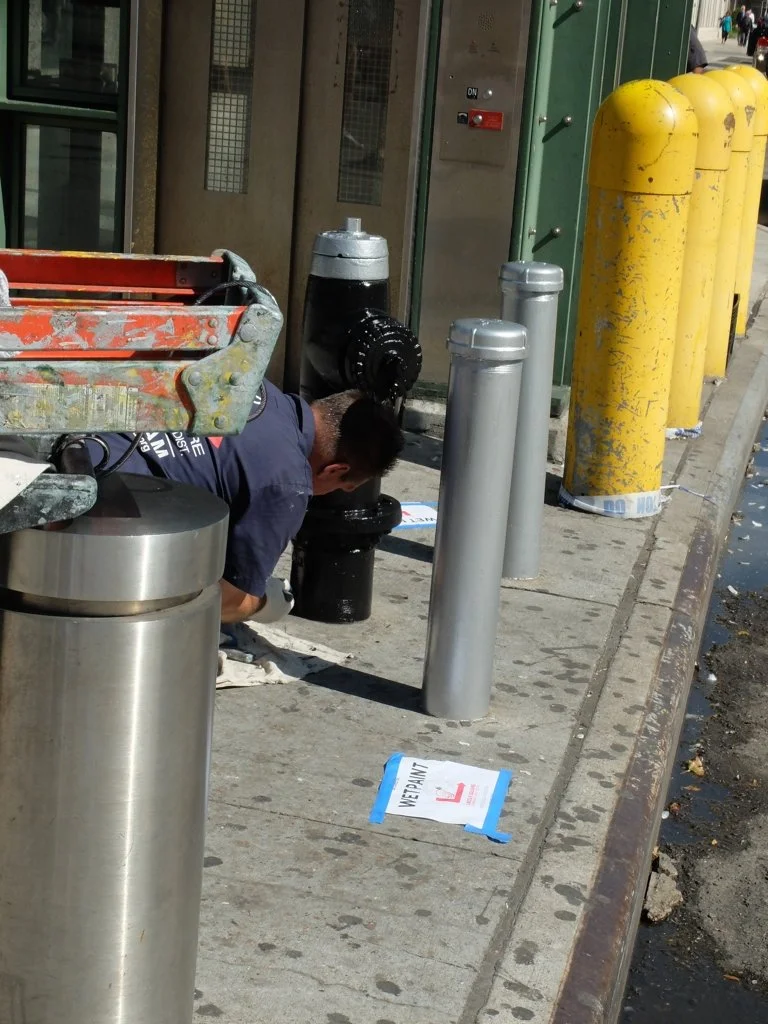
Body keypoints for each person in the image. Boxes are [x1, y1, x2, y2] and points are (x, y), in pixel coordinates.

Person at [89, 382, 404, 624]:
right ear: (335, 470)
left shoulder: (257, 387)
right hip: (100, 513)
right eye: (341, 486)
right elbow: (225, 603)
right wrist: (264, 604)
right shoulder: (288, 483)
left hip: (85, 436)